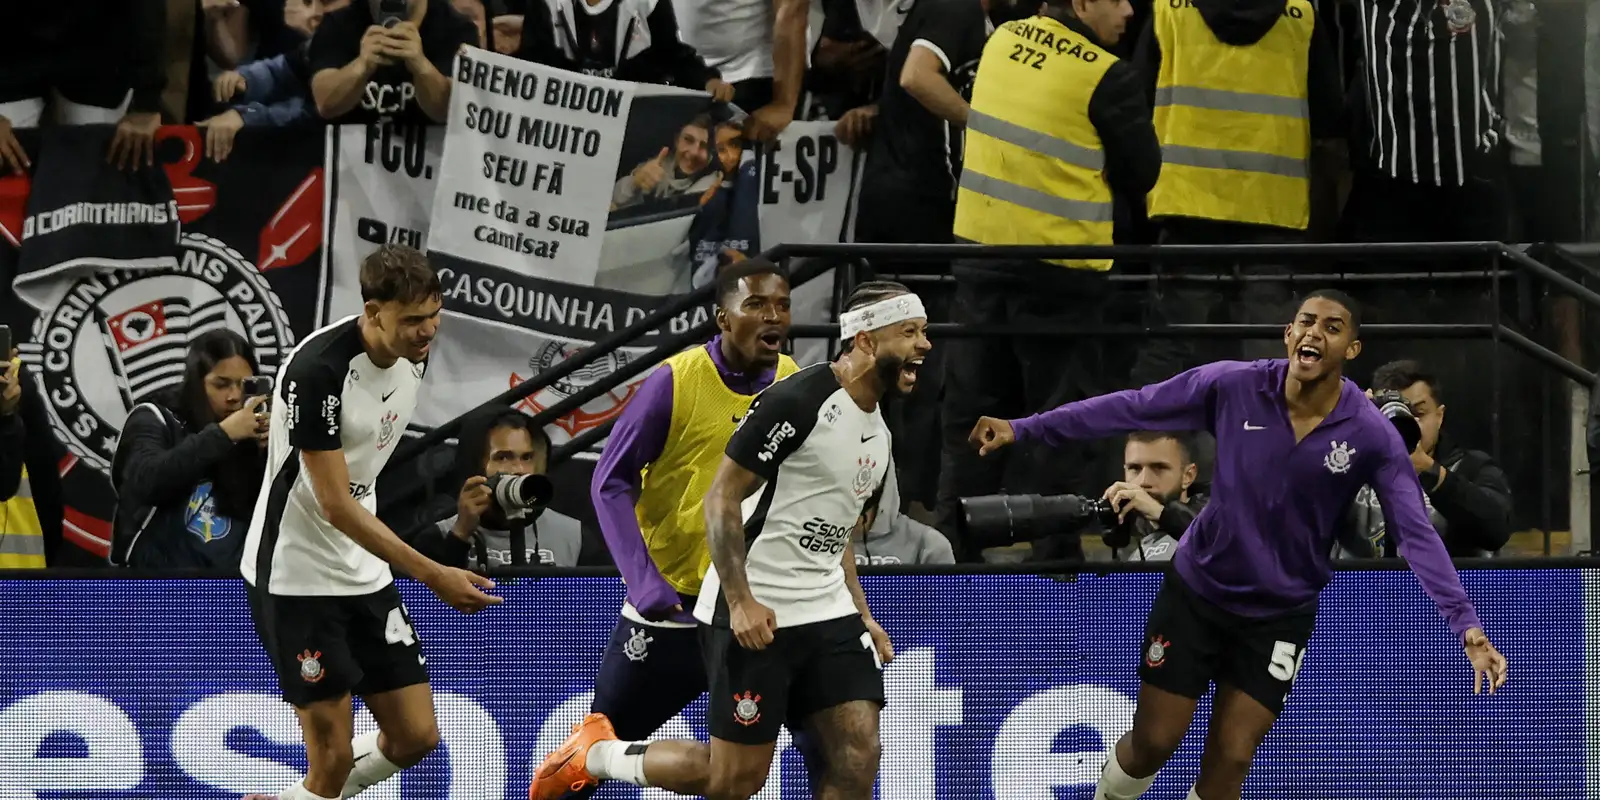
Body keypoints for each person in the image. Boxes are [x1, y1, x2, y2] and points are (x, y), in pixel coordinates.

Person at [968, 289, 1509, 800]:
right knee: (1154, 742)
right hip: (1198, 594)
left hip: (1279, 616)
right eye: (1305, 322)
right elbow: (1133, 406)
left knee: (1231, 758)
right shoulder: (1233, 385)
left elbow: (1414, 532)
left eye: (1332, 327)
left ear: (1352, 348)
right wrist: (1026, 427)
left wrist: (1466, 624)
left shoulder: (1371, 434)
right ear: (1288, 334)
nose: (1314, 333)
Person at [531, 281, 930, 800]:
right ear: (867, 340)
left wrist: (862, 613)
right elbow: (720, 498)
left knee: (858, 755)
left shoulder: (878, 428)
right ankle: (597, 755)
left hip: (826, 612)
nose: (925, 344)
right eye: (910, 332)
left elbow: (836, 532)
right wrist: (740, 602)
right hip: (756, 607)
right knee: (734, 779)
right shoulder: (797, 400)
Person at [239, 245, 500, 800]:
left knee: (416, 736)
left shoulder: (415, 353)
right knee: (331, 759)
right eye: (413, 320)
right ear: (374, 312)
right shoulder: (318, 372)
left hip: (363, 568)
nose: (428, 331)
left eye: (435, 315)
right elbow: (335, 504)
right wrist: (434, 574)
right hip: (297, 573)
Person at [555, 260, 797, 798]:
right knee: (588, 757)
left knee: (748, 771)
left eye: (782, 305)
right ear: (723, 319)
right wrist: (643, 580)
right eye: (756, 305)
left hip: (746, 606)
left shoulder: (792, 383)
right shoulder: (675, 381)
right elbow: (609, 481)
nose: (773, 316)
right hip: (673, 603)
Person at [939, 0, 1159, 560]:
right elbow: (1143, 172)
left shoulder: (1002, 40)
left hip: (981, 261)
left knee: (970, 416)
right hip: (1061, 276)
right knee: (1059, 424)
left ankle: (948, 560)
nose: (1129, 10)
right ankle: (1054, 565)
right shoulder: (1106, 74)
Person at [110, 330, 271, 569]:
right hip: (158, 579)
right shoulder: (156, 417)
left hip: (235, 578)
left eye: (244, 384)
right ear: (197, 383)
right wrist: (223, 435)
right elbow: (145, 482)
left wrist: (270, 454)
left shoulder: (255, 430)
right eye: (221, 384)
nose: (235, 396)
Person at [1344, 359, 1514, 557]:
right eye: (1396, 415)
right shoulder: (1347, 464)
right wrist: (1340, 431)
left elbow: (1497, 531)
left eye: (1418, 413)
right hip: (1360, 578)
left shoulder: (1473, 467)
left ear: (1439, 416)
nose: (1410, 423)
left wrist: (1427, 470)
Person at [412, 408, 585, 569]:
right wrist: (460, 534)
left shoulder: (573, 535)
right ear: (474, 466)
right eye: (503, 458)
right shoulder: (438, 537)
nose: (519, 469)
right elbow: (430, 592)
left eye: (527, 458)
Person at [513, 0, 734, 100]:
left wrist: (707, 80)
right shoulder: (545, 4)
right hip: (567, 121)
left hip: (632, 120)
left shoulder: (648, 3)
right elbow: (529, 66)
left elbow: (672, 54)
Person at [308, 0, 478, 124]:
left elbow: (451, 112)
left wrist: (421, 67)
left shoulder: (457, 29)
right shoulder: (338, 24)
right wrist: (361, 66)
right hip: (353, 160)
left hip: (430, 159)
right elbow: (325, 104)